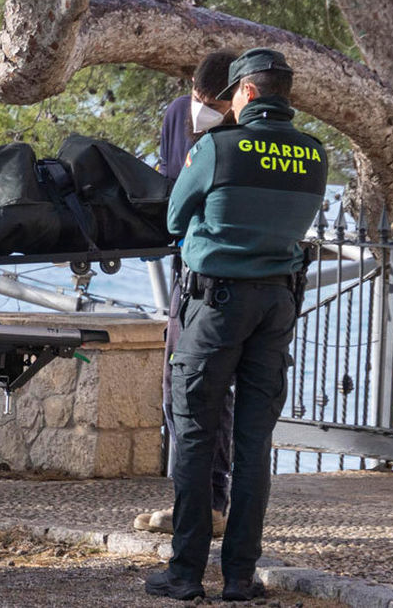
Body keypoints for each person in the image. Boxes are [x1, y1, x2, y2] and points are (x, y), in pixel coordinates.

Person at [145, 48, 327, 601]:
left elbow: (175, 218)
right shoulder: (314, 155)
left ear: (245, 93)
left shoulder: (218, 147)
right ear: (285, 96)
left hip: (216, 305)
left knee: (196, 436)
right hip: (277, 308)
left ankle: (184, 574)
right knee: (253, 444)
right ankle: (240, 577)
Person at [136, 50, 237, 537]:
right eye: (195, 93)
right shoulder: (177, 115)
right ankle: (193, 500)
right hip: (184, 269)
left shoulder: (242, 133)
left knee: (212, 390)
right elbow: (169, 193)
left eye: (209, 99)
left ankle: (211, 502)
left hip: (225, 276)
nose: (199, 105)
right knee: (176, 388)